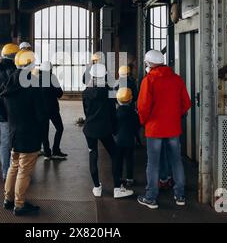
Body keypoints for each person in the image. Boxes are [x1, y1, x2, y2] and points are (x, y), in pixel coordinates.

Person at [137, 50, 191, 209]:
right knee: (176, 160)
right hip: (173, 128)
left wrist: (143, 121)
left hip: (154, 129)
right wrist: (175, 116)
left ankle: (151, 197)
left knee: (153, 163)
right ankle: (180, 195)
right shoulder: (177, 79)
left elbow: (143, 106)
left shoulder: (149, 80)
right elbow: (186, 103)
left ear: (149, 64)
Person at [1, 50, 48, 216]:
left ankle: (8, 199)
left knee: (13, 166)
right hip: (29, 134)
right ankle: (19, 205)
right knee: (24, 171)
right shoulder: (32, 84)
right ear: (31, 64)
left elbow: (0, 107)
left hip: (14, 132)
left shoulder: (9, 82)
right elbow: (41, 113)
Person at [82, 63, 134, 199]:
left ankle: (97, 187)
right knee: (115, 154)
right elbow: (112, 112)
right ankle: (117, 188)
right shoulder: (109, 92)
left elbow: (86, 111)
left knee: (93, 156)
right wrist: (115, 129)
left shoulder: (86, 92)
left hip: (90, 129)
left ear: (92, 76)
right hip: (105, 129)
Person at [0, 43, 19, 180]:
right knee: (15, 142)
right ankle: (14, 172)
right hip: (12, 112)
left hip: (0, 111)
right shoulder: (13, 71)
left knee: (4, 142)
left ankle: (5, 172)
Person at [39, 61, 67, 160]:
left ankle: (47, 153)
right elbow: (59, 94)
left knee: (44, 132)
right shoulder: (52, 78)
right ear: (50, 70)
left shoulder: (36, 79)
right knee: (59, 128)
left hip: (41, 110)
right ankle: (56, 150)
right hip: (53, 109)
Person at [114, 88, 139, 187]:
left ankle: (119, 177)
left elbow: (113, 125)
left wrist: (115, 133)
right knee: (129, 160)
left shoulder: (116, 112)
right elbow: (137, 125)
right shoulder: (133, 113)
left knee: (118, 160)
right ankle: (129, 179)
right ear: (131, 99)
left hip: (118, 140)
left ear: (118, 100)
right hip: (129, 140)